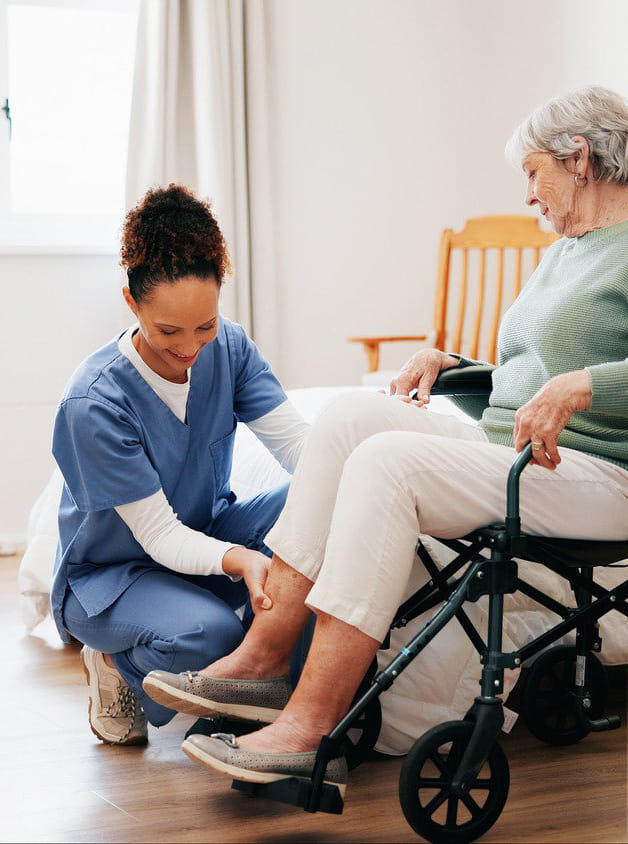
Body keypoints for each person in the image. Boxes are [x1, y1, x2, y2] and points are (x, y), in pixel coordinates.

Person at [142, 85, 628, 793]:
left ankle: (307, 727)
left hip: (599, 473)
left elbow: (574, 379)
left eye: (532, 172)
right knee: (349, 417)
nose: (528, 194)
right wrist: (459, 366)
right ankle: (267, 655)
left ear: (578, 158)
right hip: (518, 457)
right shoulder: (563, 254)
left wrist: (585, 387)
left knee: (388, 464)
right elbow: (539, 374)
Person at [50, 184, 310, 745]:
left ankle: (300, 700)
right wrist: (240, 559)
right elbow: (161, 535)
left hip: (207, 534)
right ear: (131, 302)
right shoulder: (94, 403)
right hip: (116, 575)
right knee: (210, 636)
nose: (191, 347)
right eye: (169, 330)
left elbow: (299, 450)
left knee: (317, 497)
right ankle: (114, 662)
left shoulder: (232, 349)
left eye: (205, 325)